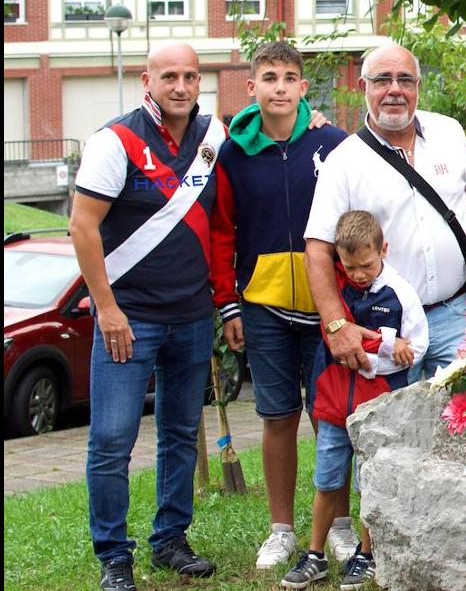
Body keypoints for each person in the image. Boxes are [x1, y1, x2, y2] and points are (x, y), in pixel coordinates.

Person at [69, 42, 225, 591]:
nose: (181, 86)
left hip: (191, 316)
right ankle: (114, 555)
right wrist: (107, 309)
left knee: (180, 433)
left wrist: (314, 115)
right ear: (146, 80)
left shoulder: (212, 136)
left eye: (190, 76)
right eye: (169, 77)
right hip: (128, 319)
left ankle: (170, 542)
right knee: (112, 441)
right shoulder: (115, 141)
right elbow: (82, 228)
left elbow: (265, 126)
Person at [208, 41, 354, 569]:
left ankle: (337, 524)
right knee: (276, 417)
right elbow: (222, 231)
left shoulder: (332, 142)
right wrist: (228, 304)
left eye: (289, 78)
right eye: (269, 78)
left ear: (302, 87)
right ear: (252, 87)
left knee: (331, 419)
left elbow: (351, 220)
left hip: (325, 306)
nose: (279, 87)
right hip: (262, 307)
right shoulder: (232, 153)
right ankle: (282, 529)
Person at [304, 43, 466, 384]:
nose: (395, 90)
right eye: (383, 80)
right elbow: (316, 250)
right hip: (387, 330)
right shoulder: (343, 162)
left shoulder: (449, 132)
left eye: (405, 79)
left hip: (457, 316)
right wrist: (336, 325)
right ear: (364, 87)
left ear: (418, 86)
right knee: (396, 434)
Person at [282, 210, 428, 589]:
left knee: (369, 479)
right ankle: (315, 554)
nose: (358, 274)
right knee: (326, 477)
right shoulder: (336, 288)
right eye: (350, 267)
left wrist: (384, 348)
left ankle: (366, 553)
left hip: (377, 402)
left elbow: (416, 346)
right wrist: (382, 341)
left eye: (365, 265)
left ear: (384, 250)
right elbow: (334, 334)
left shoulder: (400, 293)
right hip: (334, 400)